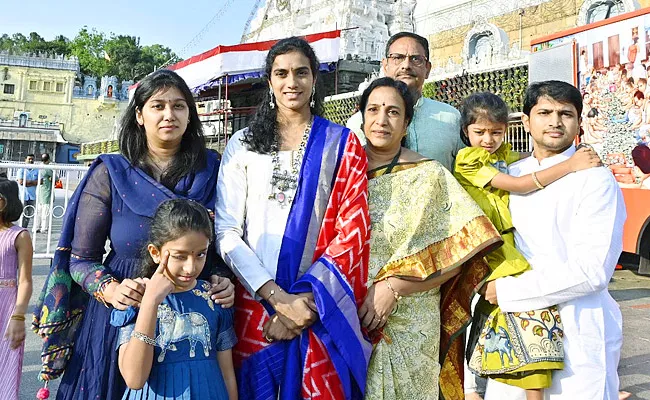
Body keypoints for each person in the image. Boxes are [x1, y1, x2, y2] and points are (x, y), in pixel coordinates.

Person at [32, 69, 235, 400]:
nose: (169, 115)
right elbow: (81, 259)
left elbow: (220, 243)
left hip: (191, 312)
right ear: (139, 115)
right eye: (158, 106)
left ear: (190, 115)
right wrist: (111, 290)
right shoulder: (111, 173)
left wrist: (222, 278)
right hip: (122, 311)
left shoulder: (213, 170)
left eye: (179, 106)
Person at [215, 37, 371, 399]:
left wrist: (307, 304)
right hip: (255, 308)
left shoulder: (341, 144)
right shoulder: (243, 143)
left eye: (301, 72)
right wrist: (277, 298)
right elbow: (226, 230)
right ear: (269, 81)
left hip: (316, 308)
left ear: (314, 78)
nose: (292, 82)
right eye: (281, 73)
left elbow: (353, 231)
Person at [482, 80, 627, 400]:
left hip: (576, 325)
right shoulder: (511, 174)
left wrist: (506, 291)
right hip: (515, 328)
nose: (555, 121)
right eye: (545, 112)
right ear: (525, 121)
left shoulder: (595, 179)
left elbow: (592, 272)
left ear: (578, 123)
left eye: (566, 113)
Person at [359, 78, 502, 400]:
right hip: (350, 311)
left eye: (394, 112)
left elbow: (461, 254)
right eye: (374, 110)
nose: (382, 120)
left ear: (407, 121)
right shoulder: (340, 171)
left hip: (413, 317)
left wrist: (393, 288)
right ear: (362, 117)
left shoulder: (430, 174)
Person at [453, 92, 601, 400]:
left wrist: (564, 156)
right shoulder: (467, 160)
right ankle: (471, 386)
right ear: (465, 131)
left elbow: (525, 163)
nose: (488, 139)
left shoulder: (501, 155)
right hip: (492, 251)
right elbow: (519, 184)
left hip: (508, 246)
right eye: (479, 132)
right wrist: (570, 164)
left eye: (496, 132)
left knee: (523, 321)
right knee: (519, 309)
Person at [114, 199, 237, 399]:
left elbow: (227, 374)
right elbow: (134, 379)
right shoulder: (136, 299)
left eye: (200, 254)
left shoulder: (215, 298)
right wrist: (150, 302)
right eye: (180, 256)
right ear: (155, 253)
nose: (191, 267)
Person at [346, 32, 463, 171]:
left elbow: (468, 176)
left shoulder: (451, 118)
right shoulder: (358, 123)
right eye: (397, 58)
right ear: (385, 66)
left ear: (427, 69)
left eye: (415, 59)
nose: (406, 65)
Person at [0, 178, 33, 400]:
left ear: (2, 202)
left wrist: (18, 316)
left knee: (6, 365)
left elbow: (25, 281)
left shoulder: (19, 236)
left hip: (7, 306)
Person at [16, 154, 37, 228]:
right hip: (23, 196)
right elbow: (21, 182)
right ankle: (20, 227)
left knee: (29, 214)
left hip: (32, 196)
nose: (31, 160)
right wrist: (33, 182)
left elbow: (41, 181)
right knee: (23, 213)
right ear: (25, 160)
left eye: (32, 159)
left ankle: (24, 228)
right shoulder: (21, 170)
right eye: (29, 159)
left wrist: (27, 182)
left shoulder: (36, 170)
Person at [36, 153, 53, 234]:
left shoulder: (38, 167)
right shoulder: (47, 168)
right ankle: (44, 228)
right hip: (45, 193)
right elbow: (55, 178)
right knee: (45, 211)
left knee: (38, 211)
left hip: (39, 192)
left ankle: (36, 227)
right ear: (48, 160)